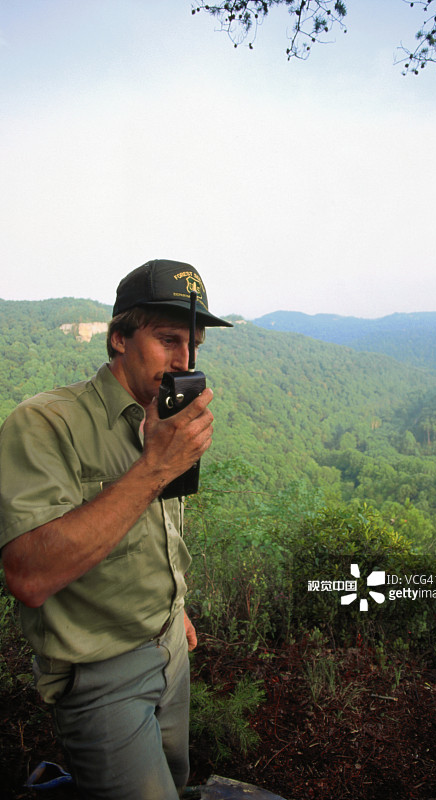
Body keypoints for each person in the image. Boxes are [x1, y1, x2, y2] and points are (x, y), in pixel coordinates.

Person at [0, 259, 232, 800]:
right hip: (100, 671)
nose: (185, 361)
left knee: (174, 782)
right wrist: (153, 466)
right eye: (168, 340)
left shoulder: (162, 418)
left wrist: (174, 604)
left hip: (171, 646)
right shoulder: (45, 424)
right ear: (117, 340)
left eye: (195, 345)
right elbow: (29, 576)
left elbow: (151, 533)